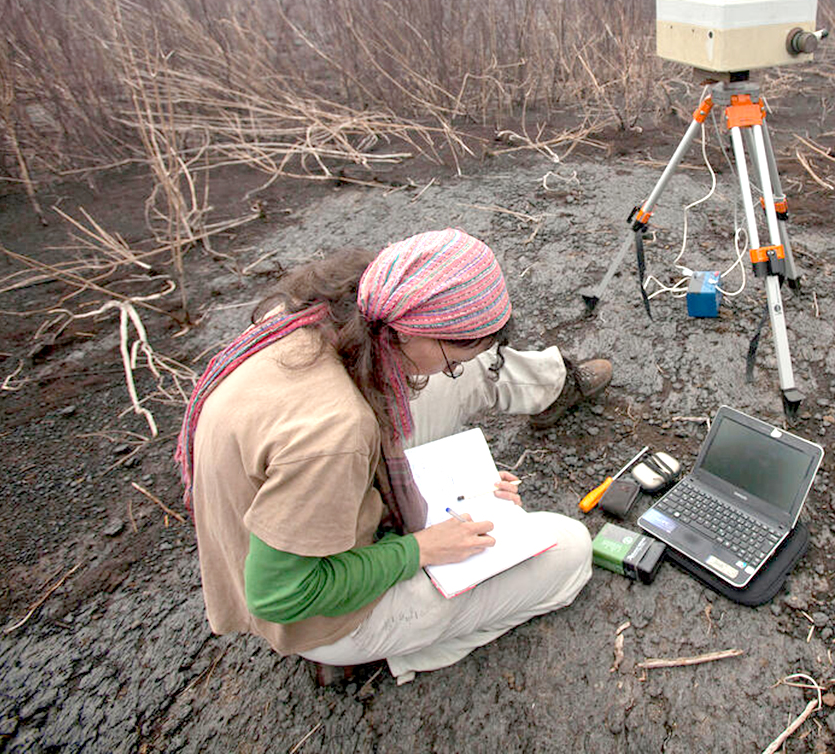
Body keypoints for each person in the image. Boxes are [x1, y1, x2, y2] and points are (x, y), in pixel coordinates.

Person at [175, 228, 612, 685]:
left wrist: (466, 486)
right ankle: (379, 650)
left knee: (471, 370)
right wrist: (421, 548)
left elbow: (343, 456)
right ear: (408, 329)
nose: (451, 371)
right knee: (571, 550)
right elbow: (280, 595)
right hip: (314, 612)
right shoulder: (337, 432)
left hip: (307, 492)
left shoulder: (338, 313)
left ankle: (552, 386)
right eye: (451, 358)